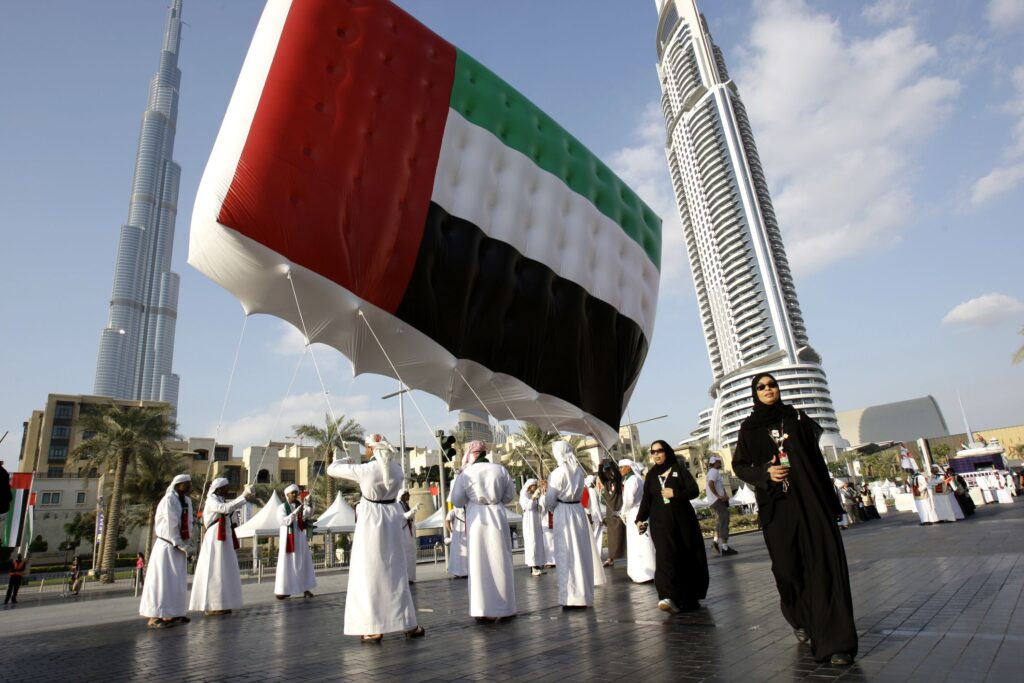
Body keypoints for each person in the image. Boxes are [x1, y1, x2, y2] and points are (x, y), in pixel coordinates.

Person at [732, 374, 857, 666]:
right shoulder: (749, 428)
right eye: (761, 387)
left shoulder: (797, 418)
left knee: (824, 568)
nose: (767, 390)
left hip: (812, 503)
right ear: (754, 393)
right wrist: (765, 473)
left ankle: (837, 643)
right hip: (777, 509)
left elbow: (816, 460)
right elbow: (739, 465)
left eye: (772, 385)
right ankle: (799, 616)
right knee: (788, 570)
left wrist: (832, 503)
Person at [328, 434, 423, 641]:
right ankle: (408, 624)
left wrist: (346, 459)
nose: (365, 451)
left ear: (373, 449)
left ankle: (373, 627)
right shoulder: (397, 470)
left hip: (371, 520)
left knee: (369, 571)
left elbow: (331, 469)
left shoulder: (365, 470)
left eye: (367, 448)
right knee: (396, 571)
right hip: (392, 517)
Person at [635, 441, 708, 614]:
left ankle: (688, 596)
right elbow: (646, 499)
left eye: (660, 451)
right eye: (653, 452)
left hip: (683, 522)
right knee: (665, 557)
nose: (656, 454)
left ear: (666, 451)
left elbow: (694, 491)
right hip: (661, 524)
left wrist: (675, 494)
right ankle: (667, 596)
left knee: (686, 556)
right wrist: (640, 519)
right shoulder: (651, 475)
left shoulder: (678, 469)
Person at [450, 440, 517, 622]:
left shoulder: (467, 473)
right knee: (500, 559)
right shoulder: (500, 469)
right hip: (497, 514)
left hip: (477, 517)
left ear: (471, 454)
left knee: (479, 562)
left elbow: (456, 500)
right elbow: (510, 495)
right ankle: (504, 607)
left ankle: (483, 609)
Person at [544, 441, 604, 607]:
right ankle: (585, 594)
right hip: (578, 511)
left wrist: (552, 506)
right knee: (581, 552)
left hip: (563, 512)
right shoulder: (578, 471)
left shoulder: (557, 473)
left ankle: (571, 597)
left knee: (567, 552)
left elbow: (550, 498)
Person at [189, 478, 253, 616]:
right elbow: (224, 509)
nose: (227, 489)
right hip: (215, 537)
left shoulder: (221, 500)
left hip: (225, 537)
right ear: (219, 488)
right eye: (226, 487)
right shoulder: (212, 500)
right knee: (214, 569)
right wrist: (243, 496)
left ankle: (223, 602)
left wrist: (244, 499)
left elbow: (231, 514)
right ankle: (212, 604)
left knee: (224, 569)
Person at [139, 473, 193, 628]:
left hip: (179, 547)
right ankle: (155, 616)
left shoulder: (187, 501)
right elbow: (171, 524)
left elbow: (188, 523)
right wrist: (178, 543)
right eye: (186, 483)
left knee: (176, 582)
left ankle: (175, 613)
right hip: (167, 545)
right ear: (178, 485)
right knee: (161, 581)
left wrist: (188, 542)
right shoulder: (169, 499)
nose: (189, 486)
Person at [275, 484, 316, 600]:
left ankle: (305, 588)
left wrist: (308, 504)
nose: (295, 495)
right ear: (287, 494)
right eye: (292, 493)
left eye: (296, 493)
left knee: (302, 562)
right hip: (288, 539)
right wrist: (294, 513)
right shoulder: (282, 507)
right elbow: (283, 521)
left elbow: (309, 514)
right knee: (286, 564)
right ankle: (283, 590)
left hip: (300, 538)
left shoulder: (300, 506)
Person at [619, 459, 656, 583]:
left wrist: (622, 511)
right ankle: (650, 570)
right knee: (644, 542)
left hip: (634, 513)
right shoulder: (637, 479)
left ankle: (643, 573)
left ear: (629, 468)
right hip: (641, 512)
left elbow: (629, 500)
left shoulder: (631, 481)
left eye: (622, 467)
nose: (620, 470)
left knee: (638, 542)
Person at [706, 455, 737, 556]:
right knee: (724, 521)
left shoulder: (711, 472)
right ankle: (724, 547)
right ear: (714, 463)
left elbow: (717, 485)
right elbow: (711, 483)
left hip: (714, 501)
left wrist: (724, 494)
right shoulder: (714, 472)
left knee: (719, 522)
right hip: (717, 501)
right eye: (719, 461)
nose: (720, 463)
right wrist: (718, 496)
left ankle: (715, 543)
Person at [597, 460, 626, 567]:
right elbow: (600, 475)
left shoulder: (617, 482)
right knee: (611, 536)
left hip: (619, 511)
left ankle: (628, 555)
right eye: (606, 471)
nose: (608, 473)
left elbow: (618, 474)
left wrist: (612, 465)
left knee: (622, 534)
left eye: (609, 471)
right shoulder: (606, 483)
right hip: (610, 513)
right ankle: (610, 558)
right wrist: (600, 465)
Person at [519, 478, 547, 575]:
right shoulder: (523, 496)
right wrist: (533, 499)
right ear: (529, 487)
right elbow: (527, 507)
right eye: (534, 486)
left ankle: (538, 564)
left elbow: (537, 507)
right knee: (532, 541)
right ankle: (533, 566)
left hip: (535, 521)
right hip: (529, 521)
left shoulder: (532, 496)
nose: (535, 488)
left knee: (538, 541)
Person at [398, 489, 421, 584]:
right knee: (405, 555)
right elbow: (404, 516)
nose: (409, 496)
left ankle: (411, 577)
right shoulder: (398, 505)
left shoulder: (406, 505)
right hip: (404, 532)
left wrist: (413, 510)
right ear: (403, 496)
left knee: (411, 555)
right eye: (407, 495)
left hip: (409, 531)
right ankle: (406, 578)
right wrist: (414, 509)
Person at [444, 504, 468, 579]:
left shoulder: (467, 508)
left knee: (466, 553)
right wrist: (451, 531)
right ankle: (457, 572)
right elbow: (447, 521)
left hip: (466, 535)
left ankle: (465, 571)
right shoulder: (453, 511)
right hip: (457, 536)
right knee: (457, 555)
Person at [583, 474, 605, 553]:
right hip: (596, 517)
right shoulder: (592, 491)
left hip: (592, 516)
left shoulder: (587, 490)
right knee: (597, 536)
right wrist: (601, 518)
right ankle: (596, 553)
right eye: (594, 481)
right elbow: (595, 506)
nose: (595, 482)